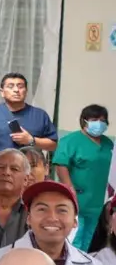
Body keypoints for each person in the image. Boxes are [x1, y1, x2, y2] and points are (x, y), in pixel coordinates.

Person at [51, 104, 114, 250]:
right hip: (77, 198)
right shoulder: (70, 141)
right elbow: (61, 165)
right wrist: (70, 188)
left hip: (98, 200)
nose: (99, 123)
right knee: (75, 237)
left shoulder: (108, 144)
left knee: (89, 239)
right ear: (84, 121)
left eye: (103, 120)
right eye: (94, 119)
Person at [0, 72, 53, 156]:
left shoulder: (40, 115)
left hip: (29, 167)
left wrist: (31, 140)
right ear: (2, 92)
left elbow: (53, 145)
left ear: (26, 91)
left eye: (20, 86)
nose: (16, 90)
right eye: (10, 86)